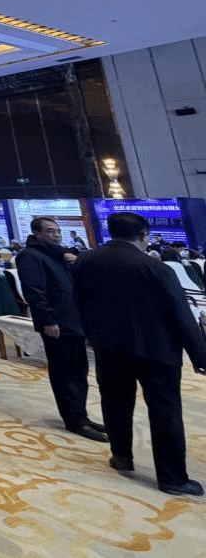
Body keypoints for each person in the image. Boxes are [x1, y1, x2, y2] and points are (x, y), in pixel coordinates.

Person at [73, 212, 206, 496]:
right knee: (165, 412)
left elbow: (79, 302)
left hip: (109, 348)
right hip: (156, 351)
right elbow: (180, 315)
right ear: (144, 236)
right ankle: (172, 478)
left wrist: (91, 336)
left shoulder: (86, 261)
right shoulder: (155, 267)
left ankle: (121, 456)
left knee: (114, 403)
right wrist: (200, 356)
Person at [15, 216, 107, 441]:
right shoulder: (30, 255)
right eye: (50, 231)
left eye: (58, 231)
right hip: (56, 322)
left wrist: (77, 262)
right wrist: (47, 320)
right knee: (64, 373)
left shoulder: (60, 255)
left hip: (74, 320)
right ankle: (74, 420)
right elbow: (34, 291)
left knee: (79, 371)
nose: (56, 235)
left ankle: (82, 415)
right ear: (37, 233)